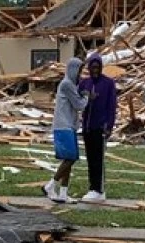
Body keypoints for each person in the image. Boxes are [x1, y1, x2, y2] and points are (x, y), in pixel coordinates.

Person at [45, 57, 87, 203]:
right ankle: (51, 185)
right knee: (71, 158)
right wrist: (87, 96)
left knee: (69, 159)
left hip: (69, 125)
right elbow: (79, 105)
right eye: (79, 70)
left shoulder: (71, 85)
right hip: (63, 125)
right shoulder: (67, 84)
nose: (80, 74)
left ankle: (63, 192)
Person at [77, 53, 117, 202]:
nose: (95, 70)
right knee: (90, 158)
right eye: (92, 67)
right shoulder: (85, 83)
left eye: (97, 67)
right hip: (87, 126)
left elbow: (111, 106)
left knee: (98, 159)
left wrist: (109, 126)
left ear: (101, 67)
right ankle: (92, 187)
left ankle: (99, 189)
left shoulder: (108, 83)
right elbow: (78, 97)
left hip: (100, 126)